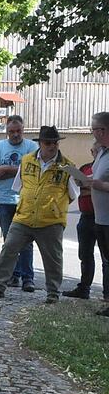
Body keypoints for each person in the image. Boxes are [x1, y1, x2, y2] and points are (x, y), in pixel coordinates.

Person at [0, 126, 78, 304]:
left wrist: (55, 207)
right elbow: (19, 187)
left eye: (55, 142)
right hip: (24, 217)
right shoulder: (26, 161)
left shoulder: (67, 167)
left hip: (50, 221)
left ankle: (53, 292)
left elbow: (73, 195)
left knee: (53, 258)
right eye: (48, 143)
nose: (52, 146)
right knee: (9, 248)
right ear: (40, 144)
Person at [0, 115, 38, 291]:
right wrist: (17, 171)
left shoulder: (32, 147)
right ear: (7, 131)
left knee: (26, 240)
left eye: (18, 131)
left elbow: (34, 172)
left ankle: (28, 277)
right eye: (11, 132)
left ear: (23, 130)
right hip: (4, 199)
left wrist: (7, 169)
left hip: (25, 199)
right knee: (9, 241)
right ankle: (13, 275)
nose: (15, 135)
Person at [62, 142, 109, 300]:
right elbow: (77, 188)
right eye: (96, 151)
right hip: (86, 216)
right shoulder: (85, 168)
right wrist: (89, 186)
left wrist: (91, 186)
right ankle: (84, 288)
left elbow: (97, 187)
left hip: (102, 217)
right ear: (92, 152)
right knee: (85, 254)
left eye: (100, 151)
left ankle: (107, 293)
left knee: (106, 258)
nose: (98, 154)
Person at [82, 112, 109, 316]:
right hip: (100, 217)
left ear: (103, 130)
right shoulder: (101, 152)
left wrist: (100, 185)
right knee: (106, 260)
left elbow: (102, 182)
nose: (92, 133)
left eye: (94, 129)